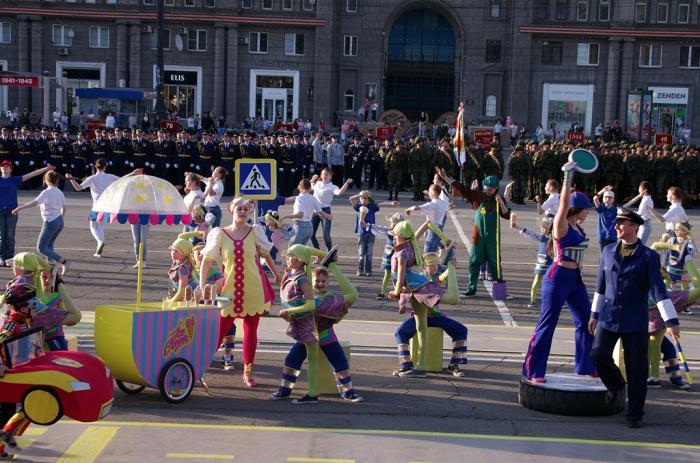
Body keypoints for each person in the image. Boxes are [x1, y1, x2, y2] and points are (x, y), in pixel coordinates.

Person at [589, 208, 680, 428]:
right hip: (609, 317)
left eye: (622, 223)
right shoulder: (608, 251)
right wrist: (594, 314)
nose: (617, 226)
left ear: (635, 227)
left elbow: (658, 290)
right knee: (598, 354)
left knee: (637, 367)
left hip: (635, 319)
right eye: (617, 223)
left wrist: (671, 321)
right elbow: (601, 286)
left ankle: (635, 413)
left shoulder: (648, 256)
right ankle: (617, 386)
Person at [522, 161, 596, 382]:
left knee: (587, 321)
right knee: (547, 323)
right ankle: (534, 371)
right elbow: (563, 202)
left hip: (575, 279)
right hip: (557, 278)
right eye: (586, 210)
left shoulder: (577, 227)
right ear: (577, 209)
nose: (588, 214)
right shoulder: (560, 224)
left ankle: (585, 366)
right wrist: (567, 176)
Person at [199, 196, 281, 387]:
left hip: (254, 289)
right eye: (239, 209)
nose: (243, 212)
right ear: (230, 209)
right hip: (228, 291)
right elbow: (206, 260)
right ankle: (199, 367)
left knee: (250, 330)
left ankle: (248, 371)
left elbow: (266, 255)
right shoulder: (219, 233)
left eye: (246, 209)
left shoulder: (255, 232)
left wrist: (277, 275)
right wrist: (203, 286)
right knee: (218, 332)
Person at [387, 220, 459, 377]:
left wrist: (395, 291)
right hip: (414, 290)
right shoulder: (411, 244)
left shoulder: (401, 253)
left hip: (417, 288)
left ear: (401, 236)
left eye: (395, 235)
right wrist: (444, 238)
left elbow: (400, 278)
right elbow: (427, 223)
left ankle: (451, 268)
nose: (394, 238)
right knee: (421, 328)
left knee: (451, 299)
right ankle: (419, 367)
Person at [436, 169, 511, 296]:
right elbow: (461, 188)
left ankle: (499, 293)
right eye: (486, 188)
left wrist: (502, 204)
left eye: (491, 189)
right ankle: (471, 289)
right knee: (474, 261)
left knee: (495, 264)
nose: (488, 191)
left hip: (493, 238)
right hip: (478, 236)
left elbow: (507, 215)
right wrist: (446, 177)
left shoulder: (499, 199)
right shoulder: (477, 196)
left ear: (496, 188)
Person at [275, 244, 333, 404]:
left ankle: (312, 394)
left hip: (307, 324)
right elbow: (308, 252)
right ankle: (285, 390)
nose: (287, 258)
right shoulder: (291, 273)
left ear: (300, 261)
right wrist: (327, 255)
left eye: (291, 256)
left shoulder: (302, 279)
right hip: (299, 322)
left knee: (312, 359)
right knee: (293, 359)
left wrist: (289, 312)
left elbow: (311, 304)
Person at [66, 159, 142, 257]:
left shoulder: (92, 178)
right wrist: (133, 173)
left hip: (97, 206)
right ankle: (98, 250)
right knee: (100, 226)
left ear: (95, 167)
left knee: (93, 226)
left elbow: (78, 188)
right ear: (105, 167)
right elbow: (122, 179)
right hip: (107, 206)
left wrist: (71, 178)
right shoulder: (109, 176)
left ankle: (100, 241)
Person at [12, 171, 69, 274]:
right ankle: (50, 267)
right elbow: (63, 207)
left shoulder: (46, 192)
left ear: (46, 180)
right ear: (56, 181)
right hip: (59, 221)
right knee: (49, 245)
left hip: (50, 222)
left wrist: (19, 207)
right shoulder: (59, 192)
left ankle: (63, 261)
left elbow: (34, 202)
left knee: (41, 247)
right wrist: (60, 218)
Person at [0, 160, 55, 266]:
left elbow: (31, 174)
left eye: (7, 167)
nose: (5, 168)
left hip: (12, 211)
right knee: (2, 236)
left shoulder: (14, 180)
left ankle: (10, 258)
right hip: (0, 212)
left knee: (10, 236)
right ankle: (1, 257)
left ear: (11, 169)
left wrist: (45, 169)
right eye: (3, 166)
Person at [349, 190, 398, 277]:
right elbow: (351, 199)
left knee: (369, 253)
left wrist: (391, 203)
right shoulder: (358, 207)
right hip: (361, 234)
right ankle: (359, 270)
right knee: (361, 253)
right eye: (362, 198)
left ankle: (368, 270)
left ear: (369, 199)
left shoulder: (371, 206)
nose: (363, 200)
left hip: (371, 233)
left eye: (366, 198)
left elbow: (381, 203)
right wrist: (360, 194)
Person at [511, 216, 553, 308]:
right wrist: (518, 227)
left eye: (544, 227)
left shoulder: (555, 237)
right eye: (542, 226)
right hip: (542, 262)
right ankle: (532, 300)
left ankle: (556, 301)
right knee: (537, 281)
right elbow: (530, 232)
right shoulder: (542, 237)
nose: (542, 228)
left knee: (555, 282)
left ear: (550, 228)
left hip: (551, 262)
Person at [310, 168, 352, 251]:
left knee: (326, 235)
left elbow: (339, 193)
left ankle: (329, 253)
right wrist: (312, 179)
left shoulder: (332, 187)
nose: (324, 176)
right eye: (323, 174)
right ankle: (318, 254)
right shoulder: (318, 183)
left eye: (326, 174)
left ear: (331, 176)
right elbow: (312, 187)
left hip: (325, 211)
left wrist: (347, 183)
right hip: (314, 211)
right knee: (311, 234)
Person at [283, 179, 331, 247]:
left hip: (300, 227)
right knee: (300, 250)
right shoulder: (313, 198)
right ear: (310, 188)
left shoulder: (299, 198)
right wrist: (328, 216)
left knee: (291, 249)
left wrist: (285, 216)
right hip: (309, 227)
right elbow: (320, 212)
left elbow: (300, 215)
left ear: (299, 187)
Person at [593, 186, 618, 251]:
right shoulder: (601, 208)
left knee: (611, 256)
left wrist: (639, 196)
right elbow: (595, 198)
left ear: (613, 199)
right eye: (606, 197)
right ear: (603, 199)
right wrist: (602, 190)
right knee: (603, 255)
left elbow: (627, 205)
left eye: (610, 197)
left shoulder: (616, 209)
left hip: (613, 236)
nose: (608, 198)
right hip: (603, 236)